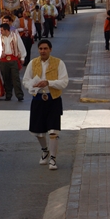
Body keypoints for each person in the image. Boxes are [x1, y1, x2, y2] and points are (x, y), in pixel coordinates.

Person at [23, 39, 69, 170]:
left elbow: (64, 82)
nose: (43, 51)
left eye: (45, 49)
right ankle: (45, 150)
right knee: (38, 131)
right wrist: (32, 86)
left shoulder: (59, 63)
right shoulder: (33, 63)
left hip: (53, 99)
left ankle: (53, 159)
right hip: (38, 99)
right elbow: (25, 80)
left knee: (53, 130)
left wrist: (49, 82)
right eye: (41, 49)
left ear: (50, 49)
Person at [0, 22, 26, 101]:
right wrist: (0, 54)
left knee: (15, 78)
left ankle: (19, 95)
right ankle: (8, 94)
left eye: (2, 30)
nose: (1, 32)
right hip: (4, 60)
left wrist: (22, 57)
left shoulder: (15, 36)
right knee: (6, 78)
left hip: (13, 59)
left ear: (7, 30)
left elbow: (21, 46)